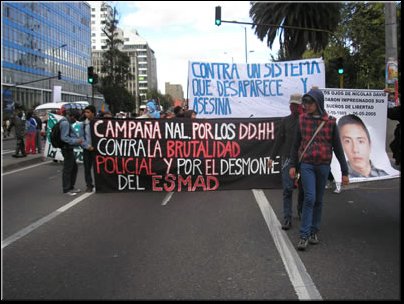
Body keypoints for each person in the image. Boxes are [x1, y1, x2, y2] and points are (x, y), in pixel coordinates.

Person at [289, 88, 349, 251]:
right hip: (307, 164)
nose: (306, 105)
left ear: (318, 103)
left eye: (309, 102)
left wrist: (344, 172)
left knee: (319, 200)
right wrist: (293, 165)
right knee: (310, 197)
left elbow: (337, 148)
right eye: (305, 102)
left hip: (323, 166)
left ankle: (314, 231)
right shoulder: (302, 120)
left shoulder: (330, 122)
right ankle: (304, 235)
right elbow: (295, 145)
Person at [268, 93, 304, 230]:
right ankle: (287, 217)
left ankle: (301, 209)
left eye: (296, 105)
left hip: (303, 159)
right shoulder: (285, 121)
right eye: (292, 104)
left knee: (304, 188)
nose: (293, 107)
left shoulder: (305, 121)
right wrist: (272, 157)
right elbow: (279, 141)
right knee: (287, 189)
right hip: (287, 159)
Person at [60, 107, 84, 196]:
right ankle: (67, 189)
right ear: (72, 116)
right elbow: (64, 137)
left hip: (68, 148)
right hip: (66, 148)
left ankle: (71, 187)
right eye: (76, 118)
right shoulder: (65, 123)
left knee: (74, 168)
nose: (76, 121)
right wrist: (76, 141)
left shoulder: (65, 121)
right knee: (68, 169)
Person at [80, 105, 96, 192]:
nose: (86, 114)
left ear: (93, 113)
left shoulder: (98, 122)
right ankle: (89, 185)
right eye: (85, 112)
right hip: (88, 149)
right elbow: (81, 138)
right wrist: (87, 146)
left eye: (88, 112)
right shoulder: (83, 124)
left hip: (97, 149)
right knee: (87, 168)